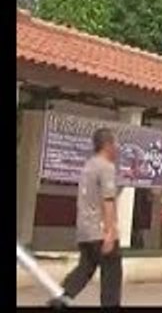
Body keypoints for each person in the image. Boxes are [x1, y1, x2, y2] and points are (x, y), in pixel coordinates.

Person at [58, 128, 122, 307]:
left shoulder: (87, 166)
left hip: (84, 231)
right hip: (100, 231)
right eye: (116, 143)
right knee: (112, 277)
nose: (118, 148)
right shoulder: (106, 167)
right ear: (108, 145)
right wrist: (110, 232)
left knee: (85, 268)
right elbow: (107, 200)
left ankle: (62, 297)